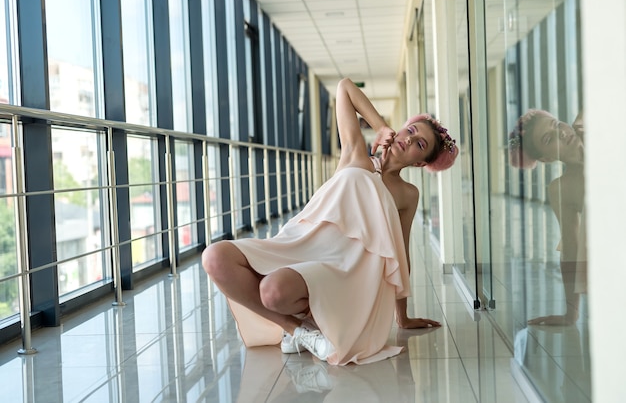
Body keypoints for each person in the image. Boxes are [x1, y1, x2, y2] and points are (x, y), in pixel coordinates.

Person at [202, 78, 459, 365]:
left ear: (421, 163)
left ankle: (308, 321)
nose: (409, 139)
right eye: (410, 131)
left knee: (272, 291)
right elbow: (345, 88)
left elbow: (401, 252)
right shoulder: (355, 154)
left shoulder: (407, 194)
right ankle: (297, 329)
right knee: (214, 256)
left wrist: (403, 316)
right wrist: (380, 126)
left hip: (341, 269)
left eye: (419, 144)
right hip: (300, 241)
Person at [509, 109, 585, 325]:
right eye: (549, 138)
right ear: (546, 157)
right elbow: (571, 249)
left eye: (557, 123)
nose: (561, 133)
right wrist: (571, 314)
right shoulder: (562, 189)